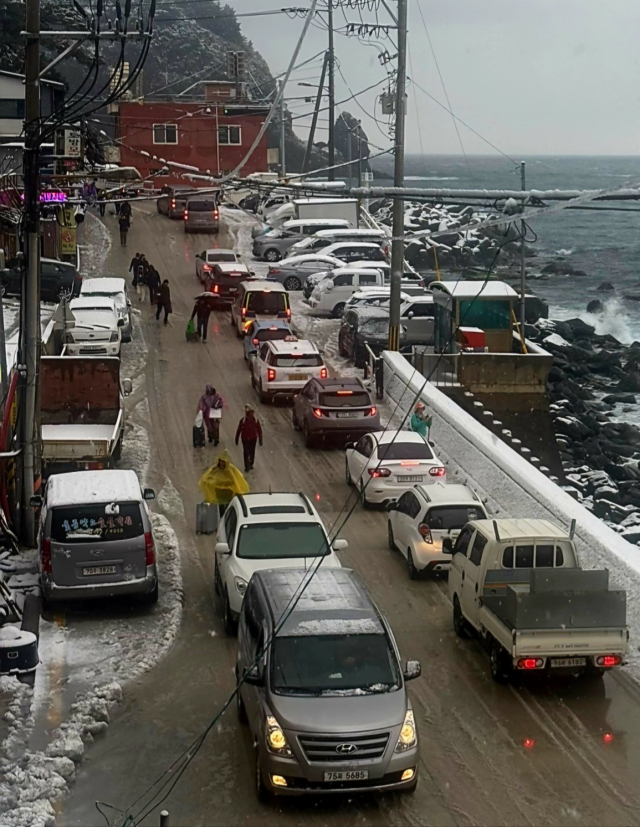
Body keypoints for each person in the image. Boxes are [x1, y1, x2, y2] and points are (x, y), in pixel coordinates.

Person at [198, 449, 249, 518]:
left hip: (228, 494)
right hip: (219, 494)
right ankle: (223, 520)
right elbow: (207, 478)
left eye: (223, 461)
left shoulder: (230, 470)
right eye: (221, 461)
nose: (222, 463)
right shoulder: (215, 469)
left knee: (228, 509)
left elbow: (235, 480)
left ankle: (227, 520)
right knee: (222, 509)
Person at [235, 404, 263, 472]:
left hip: (246, 439)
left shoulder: (244, 420)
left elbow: (239, 429)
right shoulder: (251, 420)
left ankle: (247, 465)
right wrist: (260, 439)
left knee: (246, 452)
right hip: (251, 439)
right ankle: (250, 464)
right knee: (251, 451)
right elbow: (259, 430)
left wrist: (237, 438)